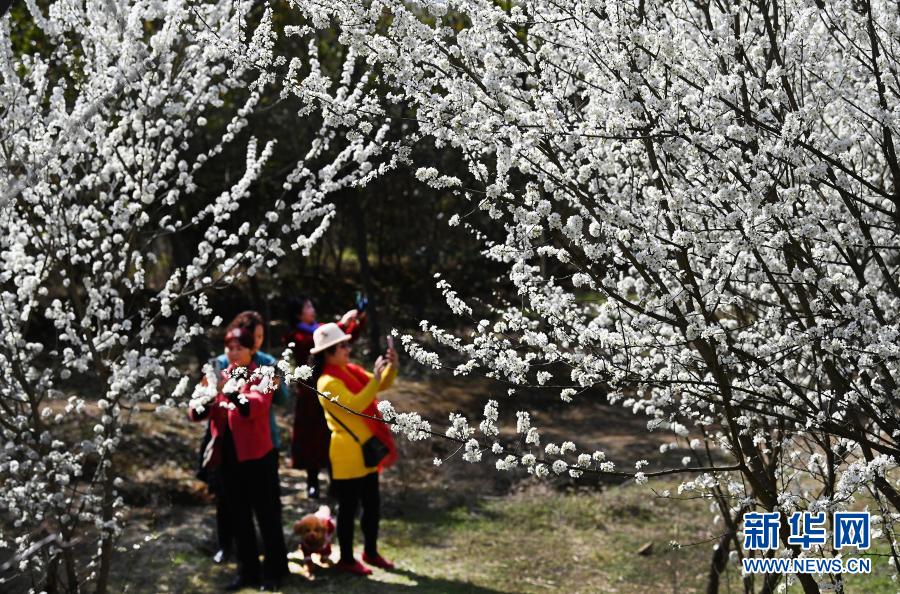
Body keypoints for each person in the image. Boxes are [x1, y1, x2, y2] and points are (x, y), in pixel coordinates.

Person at [189, 322, 289, 591]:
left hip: (258, 457)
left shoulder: (264, 374)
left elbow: (255, 407)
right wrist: (210, 393)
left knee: (267, 515)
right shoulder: (218, 375)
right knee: (238, 516)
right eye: (229, 348)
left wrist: (230, 391)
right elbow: (195, 412)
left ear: (251, 349)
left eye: (239, 347)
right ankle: (247, 572)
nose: (233, 352)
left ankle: (275, 571)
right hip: (227, 458)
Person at [310, 323, 398, 576]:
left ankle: (370, 551)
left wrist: (391, 366)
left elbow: (379, 385)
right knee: (347, 510)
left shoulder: (349, 370)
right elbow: (355, 405)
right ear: (328, 352)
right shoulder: (327, 382)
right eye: (342, 346)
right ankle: (347, 559)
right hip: (346, 454)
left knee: (372, 505)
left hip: (364, 450)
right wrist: (376, 379)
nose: (348, 349)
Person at [283, 296, 363, 498]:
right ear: (298, 313)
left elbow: (340, 342)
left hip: (331, 387)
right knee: (312, 439)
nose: (312, 309)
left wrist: (355, 322)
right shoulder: (296, 336)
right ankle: (312, 482)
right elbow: (315, 344)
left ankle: (336, 481)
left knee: (332, 435)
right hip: (309, 394)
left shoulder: (320, 328)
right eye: (307, 306)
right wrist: (340, 325)